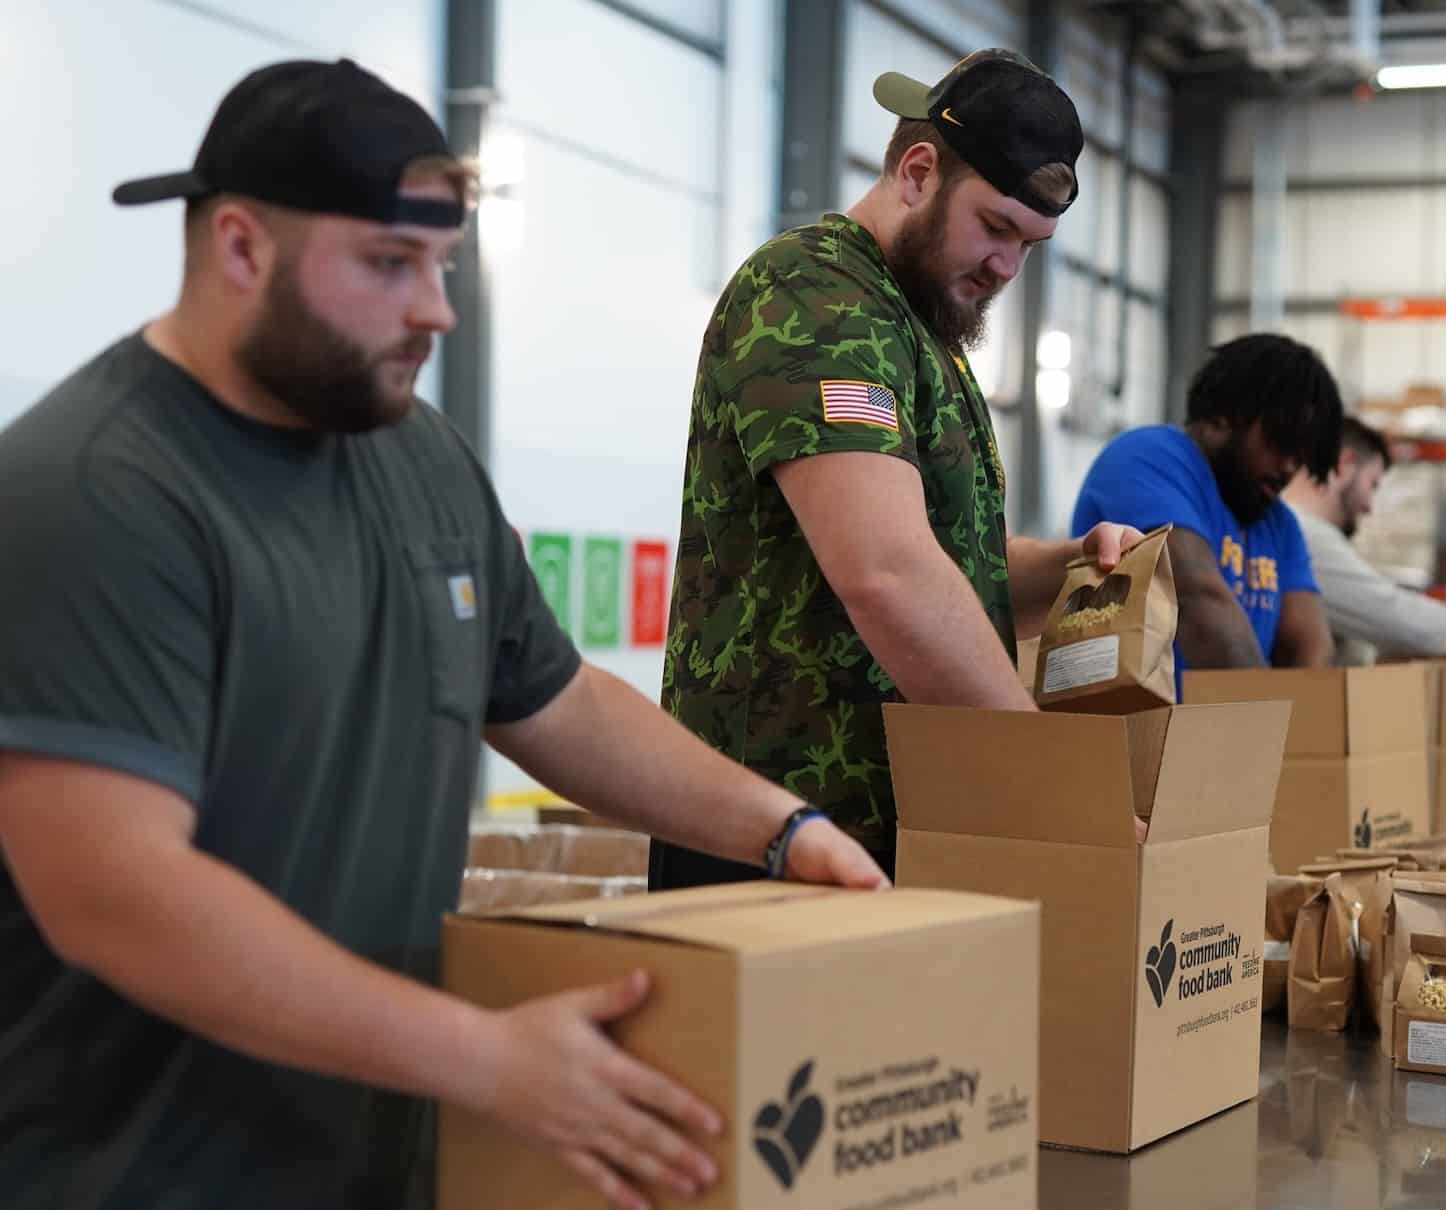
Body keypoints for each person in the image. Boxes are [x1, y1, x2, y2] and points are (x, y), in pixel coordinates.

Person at [0, 60, 885, 1210]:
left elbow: (555, 702)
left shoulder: (416, 454)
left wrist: (783, 825)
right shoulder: (94, 490)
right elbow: (114, 892)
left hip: (368, 1155)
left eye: (443, 264)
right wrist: (488, 1058)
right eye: (388, 263)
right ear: (239, 248)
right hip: (134, 1174)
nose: (437, 308)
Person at [655, 49, 1140, 892]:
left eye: (1030, 245)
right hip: (774, 830)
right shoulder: (813, 294)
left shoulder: (922, 336)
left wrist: (1070, 568)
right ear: (918, 171)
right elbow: (888, 574)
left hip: (884, 830)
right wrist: (1055, 787)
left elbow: (955, 575)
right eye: (995, 228)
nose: (1006, 269)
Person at [1070, 333, 1342, 685]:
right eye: (1280, 442)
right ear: (1225, 415)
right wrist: (1271, 726)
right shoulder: (1150, 457)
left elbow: (1310, 648)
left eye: (1301, 455)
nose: (1290, 466)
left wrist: (1300, 725)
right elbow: (1196, 600)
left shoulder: (1279, 523)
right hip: (1126, 734)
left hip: (1222, 732)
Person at [1282, 416, 1446, 664]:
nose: (1369, 506)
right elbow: (1388, 613)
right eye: (1372, 484)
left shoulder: (1293, 529)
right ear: (1344, 465)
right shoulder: (1303, 534)